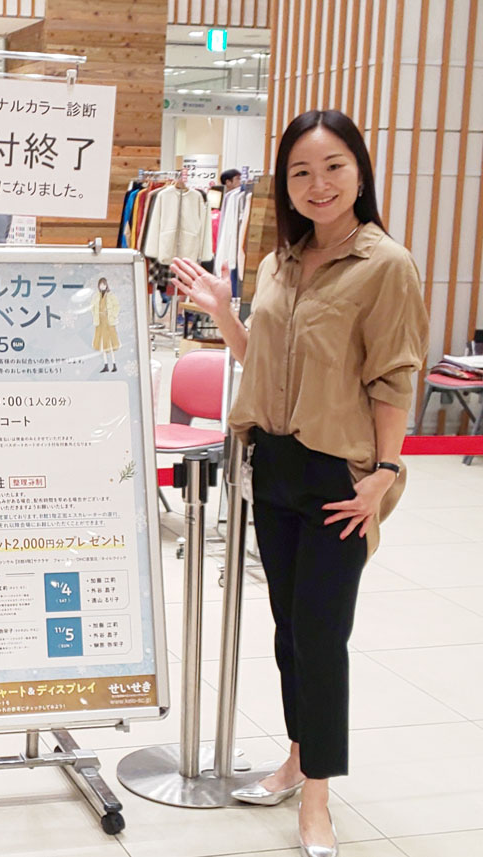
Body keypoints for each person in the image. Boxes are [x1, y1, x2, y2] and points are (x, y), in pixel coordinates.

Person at [170, 109, 428, 857]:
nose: (319, 184)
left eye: (334, 166)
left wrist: (384, 474)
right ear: (285, 183)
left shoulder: (386, 265)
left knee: (322, 636)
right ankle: (295, 757)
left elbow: (394, 379)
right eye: (302, 172)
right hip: (275, 465)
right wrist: (226, 315)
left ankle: (317, 799)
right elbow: (266, 362)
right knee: (289, 631)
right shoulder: (282, 261)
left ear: (360, 173)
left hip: (340, 474)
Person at [92, 277, 121, 373]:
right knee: (102, 345)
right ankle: (106, 365)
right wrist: (95, 315)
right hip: (100, 323)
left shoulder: (111, 296)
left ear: (106, 285)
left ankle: (114, 364)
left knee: (111, 344)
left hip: (109, 322)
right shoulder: (96, 296)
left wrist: (113, 315)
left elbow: (117, 306)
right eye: (100, 285)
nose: (102, 286)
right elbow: (93, 307)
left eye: (104, 284)